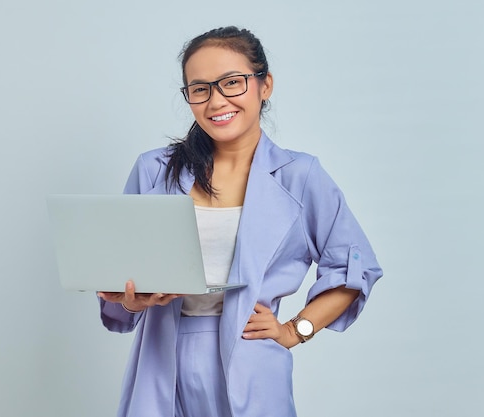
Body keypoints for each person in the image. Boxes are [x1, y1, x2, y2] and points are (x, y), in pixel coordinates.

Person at [97, 26, 383, 417]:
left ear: (265, 86)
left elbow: (355, 266)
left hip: (253, 362)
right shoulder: (153, 170)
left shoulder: (300, 176)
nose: (217, 101)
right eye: (200, 89)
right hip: (162, 359)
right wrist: (129, 300)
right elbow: (119, 285)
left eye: (232, 83)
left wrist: (295, 329)